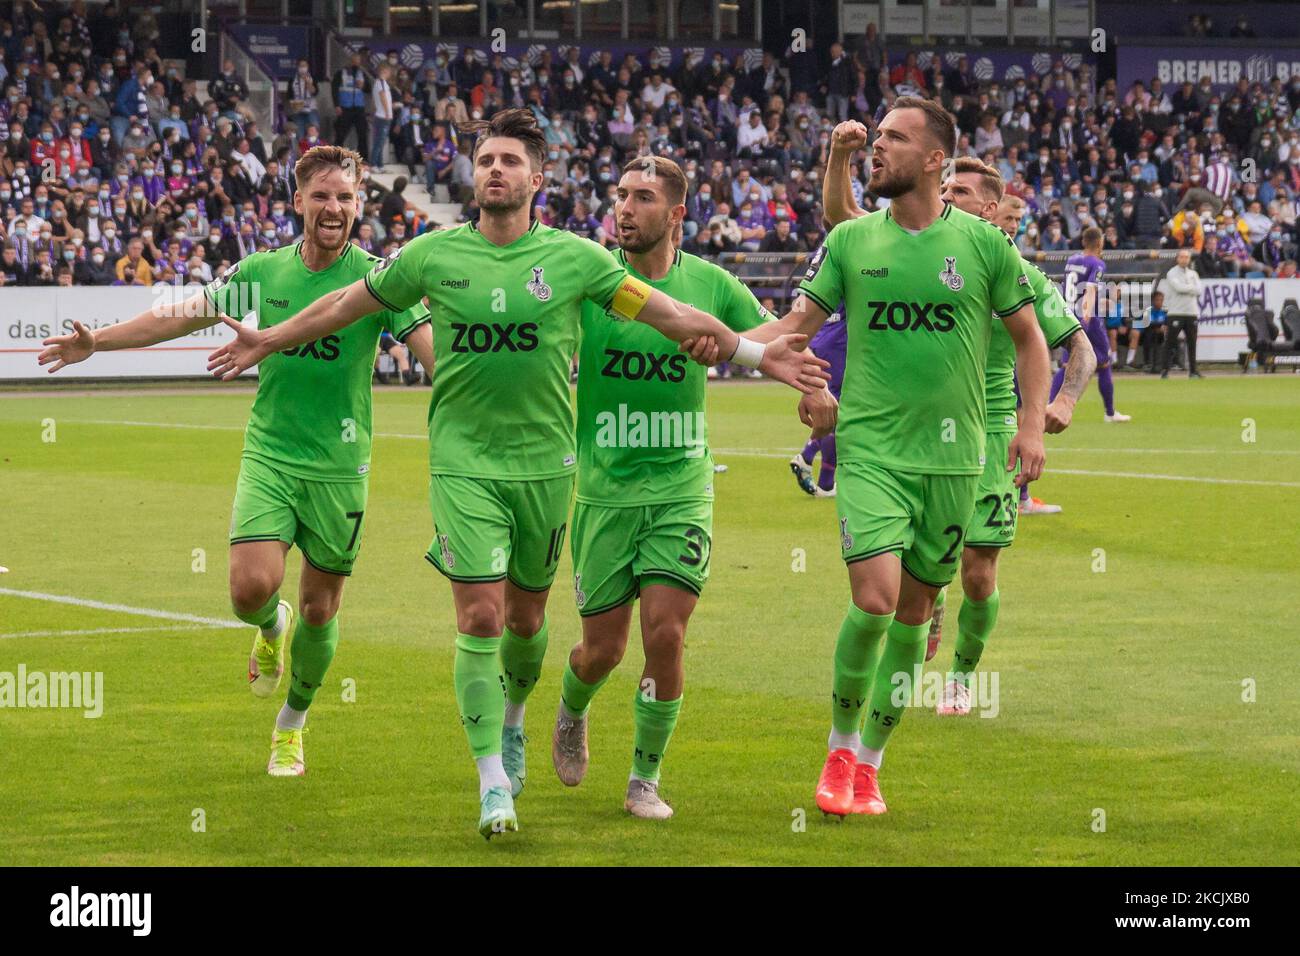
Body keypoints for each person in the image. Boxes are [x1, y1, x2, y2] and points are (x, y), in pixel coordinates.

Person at [202, 109, 828, 839]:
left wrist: (757, 356)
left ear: (538, 176)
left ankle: (518, 718)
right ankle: (492, 783)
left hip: (547, 472)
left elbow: (664, 314)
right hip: (463, 468)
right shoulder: (430, 256)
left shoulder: (579, 263)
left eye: (509, 160)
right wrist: (269, 339)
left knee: (529, 624)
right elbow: (348, 303)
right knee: (480, 618)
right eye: (485, 158)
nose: (494, 169)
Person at [692, 99, 1050, 816]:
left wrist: (1033, 425)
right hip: (872, 452)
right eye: (877, 136)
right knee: (875, 601)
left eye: (893, 138)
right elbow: (794, 326)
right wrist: (724, 343)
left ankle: (871, 764)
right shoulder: (854, 243)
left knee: (916, 614)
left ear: (934, 158)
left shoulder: (983, 248)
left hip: (954, 464)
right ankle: (837, 747)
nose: (877, 146)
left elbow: (1031, 340)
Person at [37, 146, 433, 779]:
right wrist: (98, 342)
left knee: (320, 610)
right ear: (299, 201)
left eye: (346, 198)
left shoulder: (380, 279)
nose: (334, 209)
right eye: (322, 196)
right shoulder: (263, 271)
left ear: (359, 206)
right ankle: (267, 628)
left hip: (341, 467)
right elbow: (182, 313)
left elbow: (432, 352)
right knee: (250, 589)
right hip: (271, 453)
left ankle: (292, 724)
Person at [550, 156, 810, 819]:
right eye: (619, 194)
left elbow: (776, 334)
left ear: (675, 214)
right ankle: (572, 708)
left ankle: (644, 777)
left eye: (641, 197)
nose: (623, 207)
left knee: (665, 634)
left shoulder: (711, 283)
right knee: (600, 650)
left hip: (680, 486)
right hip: (605, 490)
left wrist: (727, 345)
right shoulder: (594, 280)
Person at [1160, 247, 1203, 379]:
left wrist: (1188, 288)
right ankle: (1165, 370)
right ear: (1177, 259)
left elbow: (1199, 291)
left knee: (1192, 343)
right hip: (1176, 312)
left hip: (1192, 312)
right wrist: (1191, 288)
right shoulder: (1172, 273)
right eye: (1182, 257)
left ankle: (1193, 371)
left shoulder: (1193, 274)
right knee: (1170, 342)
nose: (1184, 259)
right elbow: (1178, 288)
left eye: (1187, 257)